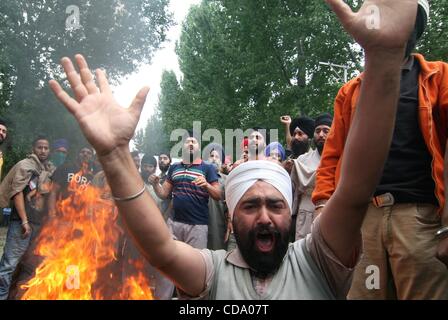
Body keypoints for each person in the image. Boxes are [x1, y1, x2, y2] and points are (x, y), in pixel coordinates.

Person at [48, 0, 417, 299]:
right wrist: (114, 154)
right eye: (250, 206)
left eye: (275, 205)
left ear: (290, 214)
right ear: (230, 214)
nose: (264, 217)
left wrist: (384, 60)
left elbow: (354, 190)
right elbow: (160, 247)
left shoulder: (319, 260)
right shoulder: (211, 271)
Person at [312, 0, 448, 299]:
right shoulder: (349, 92)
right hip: (363, 220)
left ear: (416, 25)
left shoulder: (440, 79)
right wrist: (323, 207)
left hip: (420, 220)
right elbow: (332, 155)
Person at [0, 136, 54, 299]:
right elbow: (16, 193)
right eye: (39, 147)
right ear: (33, 149)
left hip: (38, 225)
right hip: (21, 224)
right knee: (9, 265)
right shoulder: (25, 166)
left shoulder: (48, 171)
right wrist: (24, 221)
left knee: (30, 265)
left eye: (46, 148)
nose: (43, 151)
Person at [149, 132, 221, 249]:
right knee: (171, 261)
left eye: (194, 142)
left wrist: (207, 185)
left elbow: (218, 195)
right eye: (188, 142)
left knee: (194, 263)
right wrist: (156, 184)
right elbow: (164, 194)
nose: (191, 144)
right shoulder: (174, 167)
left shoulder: (207, 168)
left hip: (197, 226)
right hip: (174, 223)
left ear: (199, 146)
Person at [291, 113, 332, 240]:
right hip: (305, 213)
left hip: (331, 211)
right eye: (317, 131)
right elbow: (294, 190)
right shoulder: (301, 160)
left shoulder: (340, 159)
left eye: (326, 131)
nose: (321, 135)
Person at [48, 146, 95, 216]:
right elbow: (53, 191)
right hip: (61, 213)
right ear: (78, 155)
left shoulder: (90, 176)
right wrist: (52, 213)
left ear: (91, 157)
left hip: (79, 217)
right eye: (82, 152)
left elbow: (90, 199)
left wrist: (89, 214)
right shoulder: (65, 168)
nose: (85, 154)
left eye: (89, 153)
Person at [204, 143, 228, 250]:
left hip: (218, 228)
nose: (214, 159)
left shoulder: (227, 180)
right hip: (198, 226)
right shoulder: (199, 177)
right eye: (211, 156)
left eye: (217, 157)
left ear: (222, 162)